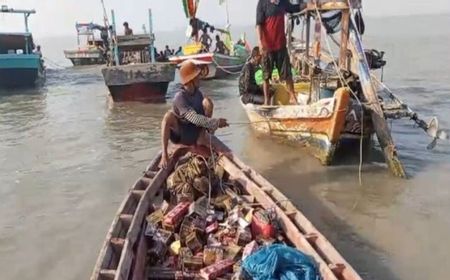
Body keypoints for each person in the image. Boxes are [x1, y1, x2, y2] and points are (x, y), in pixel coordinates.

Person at [160, 60, 229, 168]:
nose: (199, 78)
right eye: (197, 76)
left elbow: (201, 116)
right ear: (191, 80)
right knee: (168, 117)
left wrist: (212, 126)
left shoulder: (198, 94)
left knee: (207, 102)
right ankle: (164, 154)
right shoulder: (180, 97)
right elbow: (193, 118)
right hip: (182, 135)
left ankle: (202, 138)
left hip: (194, 132)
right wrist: (215, 122)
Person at [256, 0, 304, 105]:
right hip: (267, 47)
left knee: (287, 74)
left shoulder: (283, 2)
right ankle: (267, 100)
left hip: (280, 46)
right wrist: (260, 43)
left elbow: (293, 8)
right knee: (266, 75)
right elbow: (259, 25)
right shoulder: (262, 3)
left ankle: (292, 97)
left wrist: (306, 5)